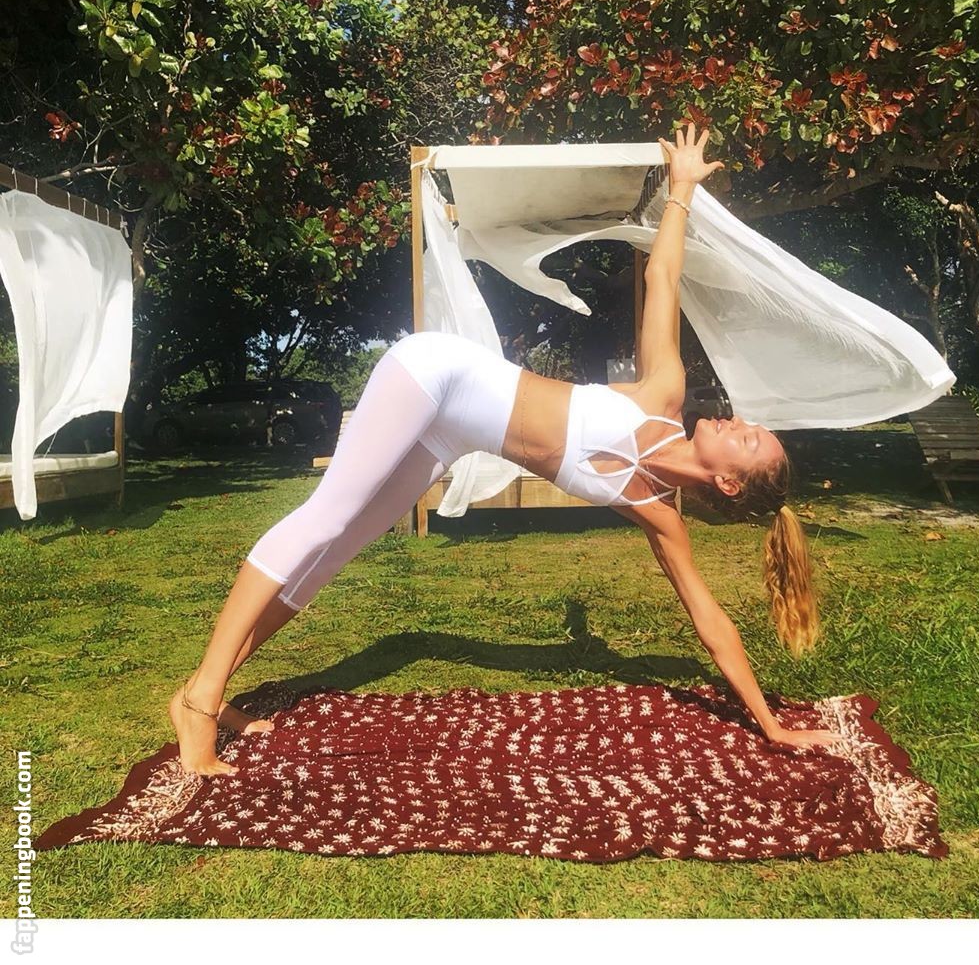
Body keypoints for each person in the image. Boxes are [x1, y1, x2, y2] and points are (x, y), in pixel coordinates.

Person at [169, 124, 840, 777]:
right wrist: (682, 188)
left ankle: (207, 689)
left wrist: (770, 724)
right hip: (434, 374)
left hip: (450, 434)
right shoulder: (663, 391)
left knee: (336, 549)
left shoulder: (660, 514)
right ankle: (201, 699)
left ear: (728, 483)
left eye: (746, 439)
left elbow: (709, 618)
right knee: (325, 519)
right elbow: (662, 276)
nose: (734, 420)